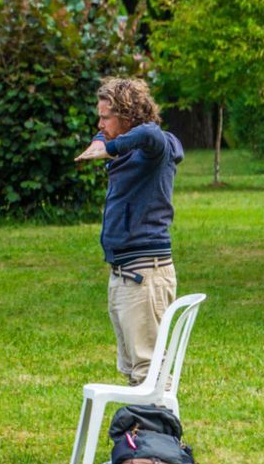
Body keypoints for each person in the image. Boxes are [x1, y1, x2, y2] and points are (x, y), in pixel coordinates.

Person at [75, 77, 184, 386]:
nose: (100, 124)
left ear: (127, 115)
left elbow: (149, 133)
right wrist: (102, 140)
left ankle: (157, 420)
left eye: (106, 117)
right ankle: (140, 419)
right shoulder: (128, 151)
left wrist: (107, 146)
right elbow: (108, 135)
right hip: (125, 273)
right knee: (134, 371)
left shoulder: (155, 149)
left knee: (149, 373)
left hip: (144, 273)